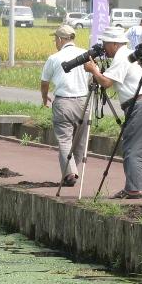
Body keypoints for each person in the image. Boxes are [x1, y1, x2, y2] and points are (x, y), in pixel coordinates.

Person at [84, 26, 142, 199]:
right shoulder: (127, 54)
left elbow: (106, 82)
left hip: (138, 105)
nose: (104, 48)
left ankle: (133, 190)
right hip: (139, 104)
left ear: (114, 44)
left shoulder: (122, 58)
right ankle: (135, 186)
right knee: (136, 146)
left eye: (105, 44)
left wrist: (94, 70)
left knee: (132, 148)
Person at [40, 25, 90, 186]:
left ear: (61, 40)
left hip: (63, 102)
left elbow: (44, 83)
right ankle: (72, 171)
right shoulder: (86, 54)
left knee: (64, 140)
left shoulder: (54, 58)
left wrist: (44, 98)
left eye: (55, 39)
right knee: (80, 141)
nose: (55, 42)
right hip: (84, 102)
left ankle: (70, 173)